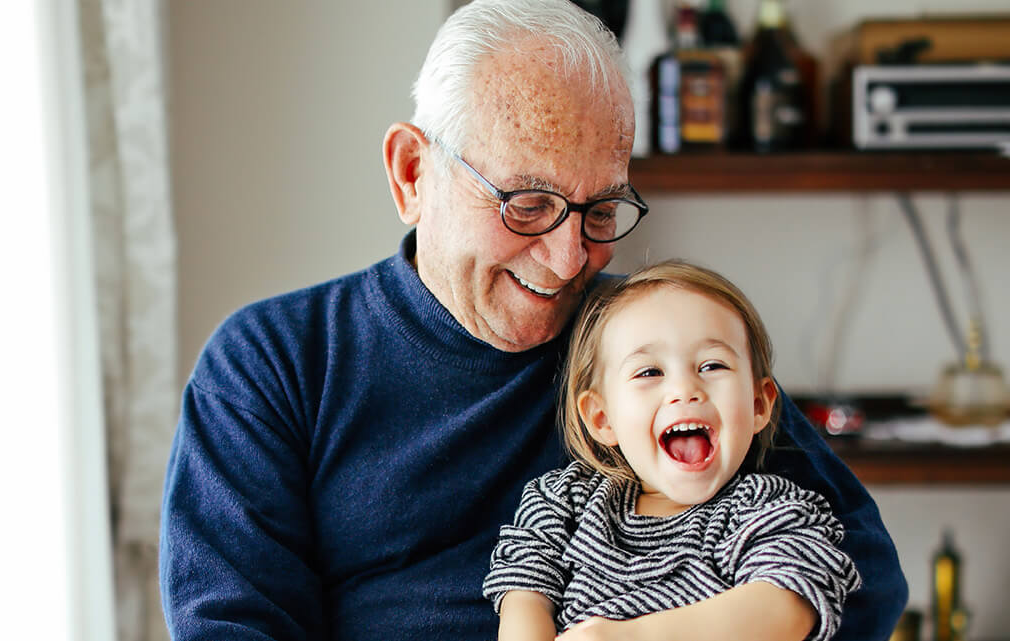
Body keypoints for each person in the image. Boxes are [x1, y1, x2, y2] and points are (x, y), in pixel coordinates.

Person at [159, 1, 907, 639]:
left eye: (601, 209)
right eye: (526, 203)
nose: (564, 257)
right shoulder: (272, 364)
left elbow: (862, 571)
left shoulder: (649, 346)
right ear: (412, 173)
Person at [484, 261, 861, 641]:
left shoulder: (766, 508)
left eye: (712, 365)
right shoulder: (564, 501)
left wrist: (629, 638)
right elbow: (523, 592)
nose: (684, 389)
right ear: (602, 418)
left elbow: (787, 606)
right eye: (649, 372)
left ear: (759, 405)